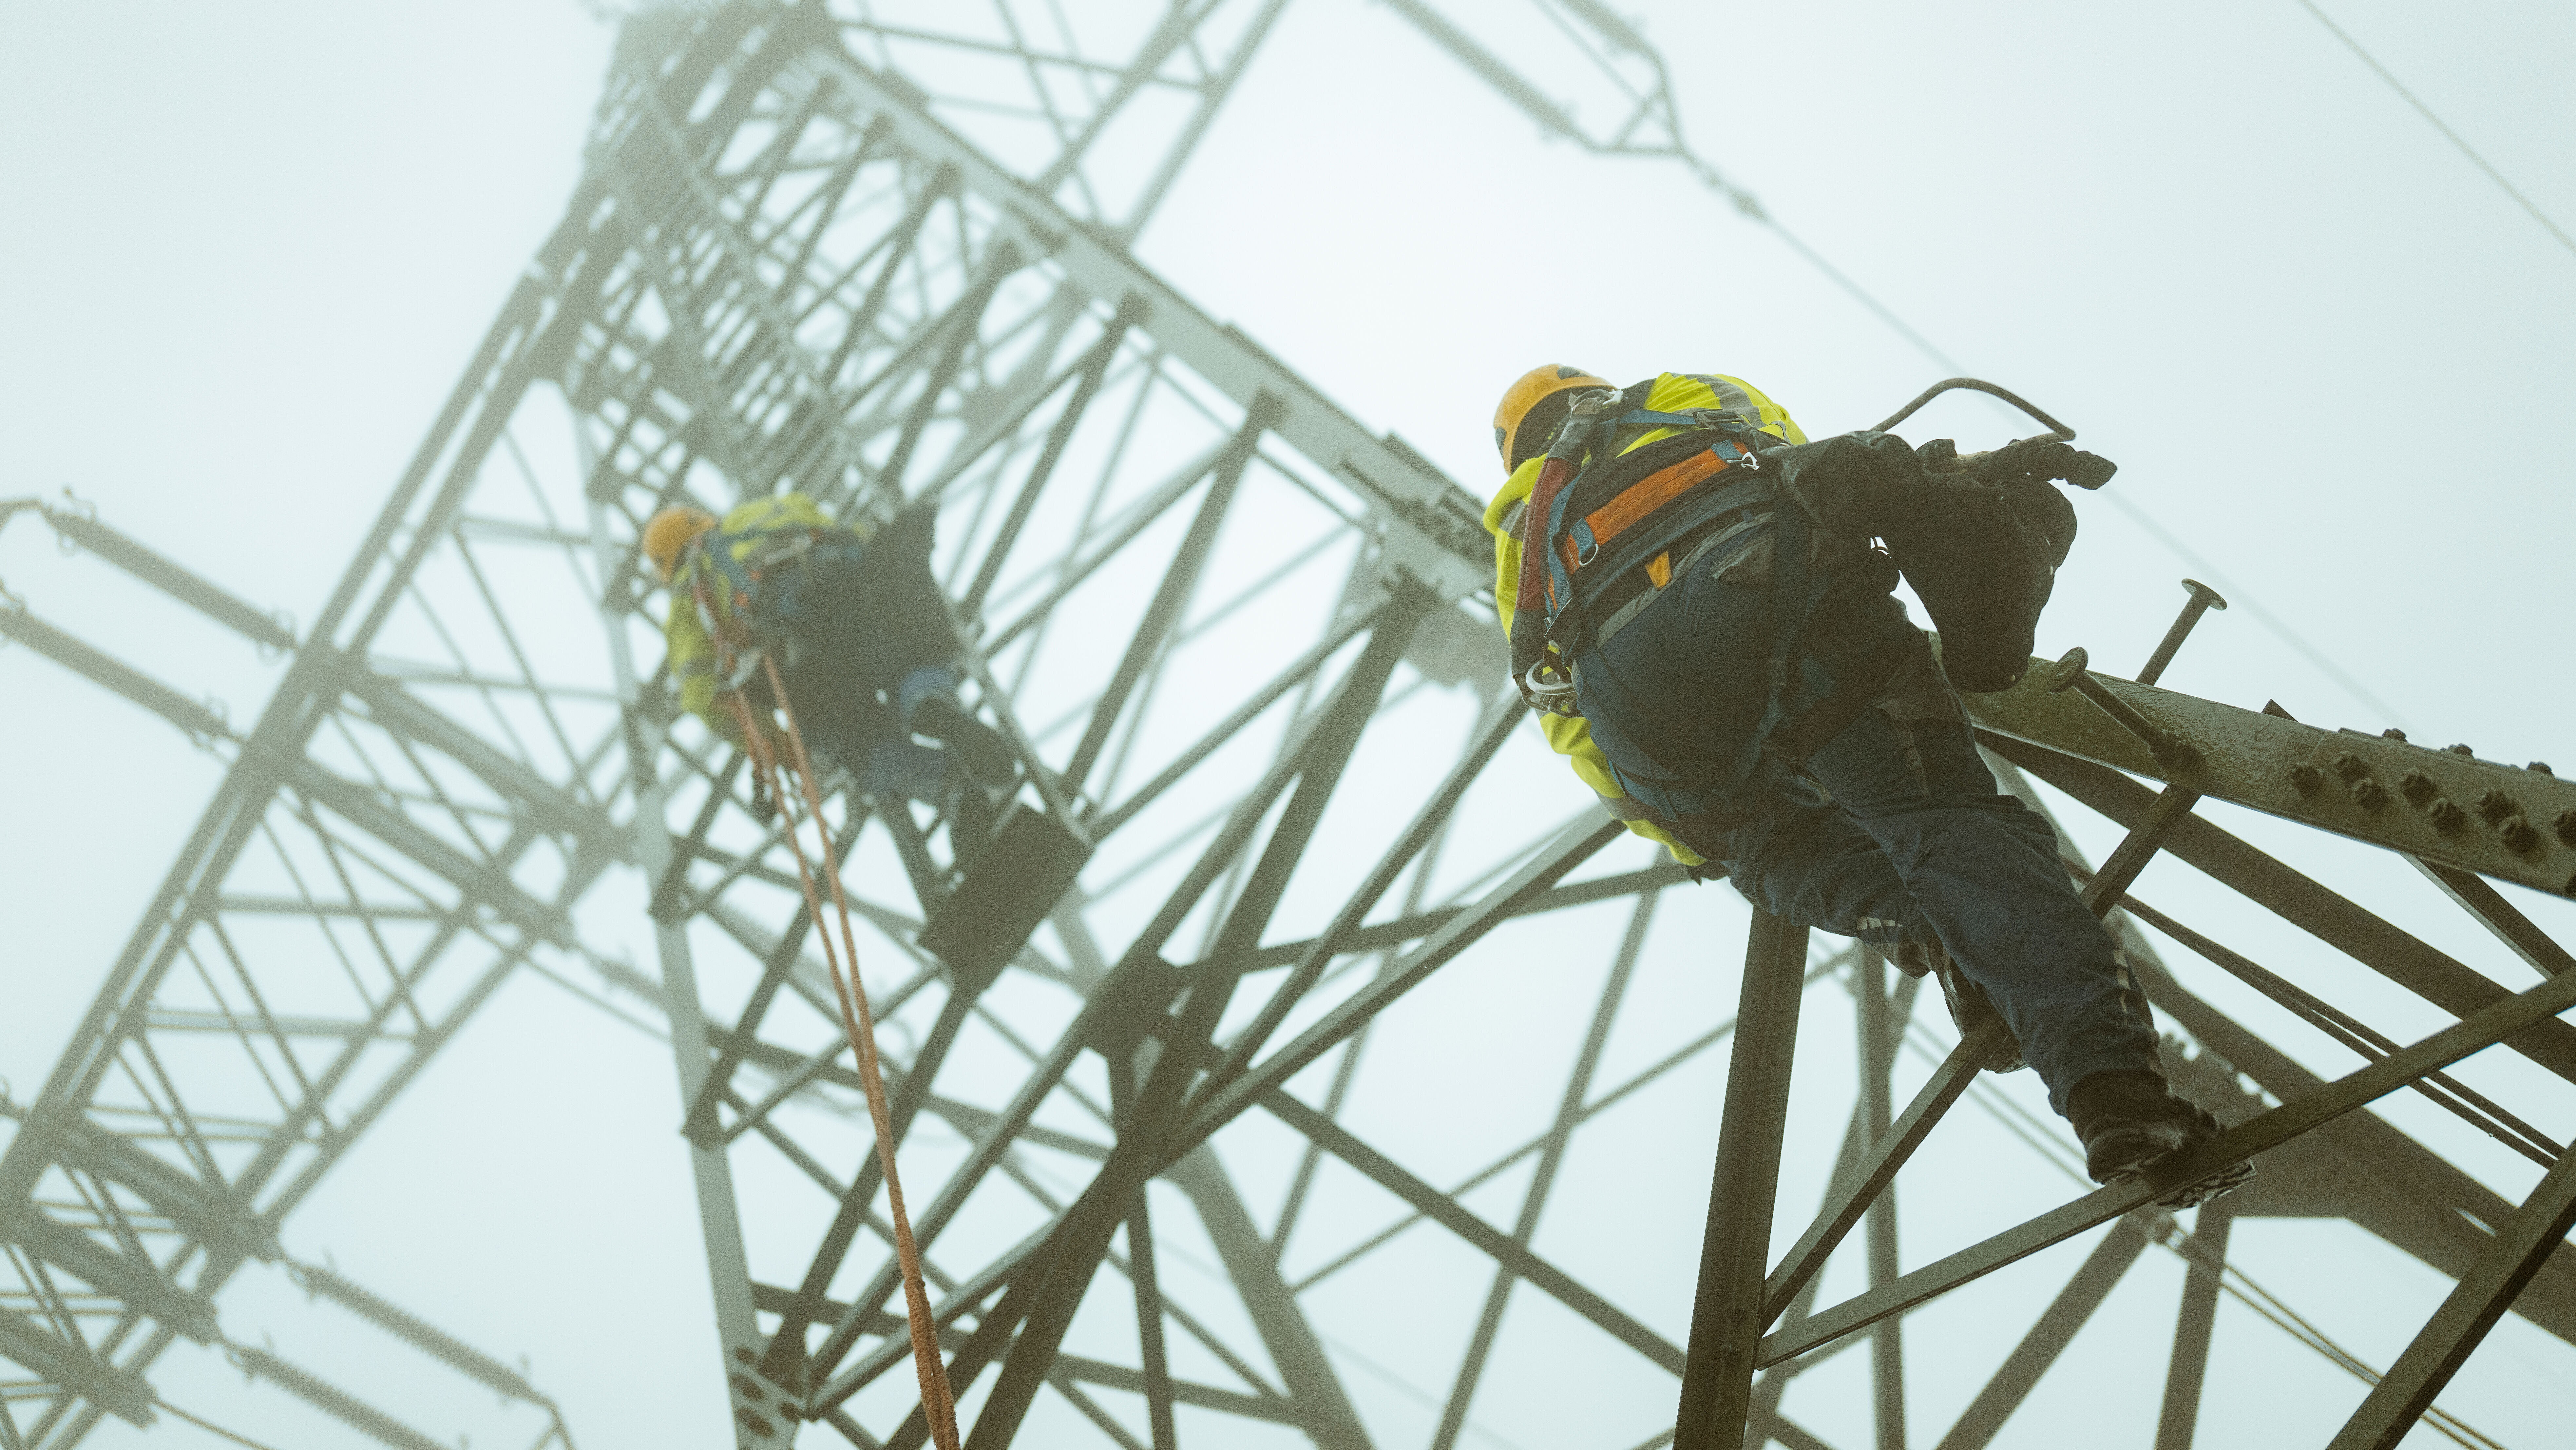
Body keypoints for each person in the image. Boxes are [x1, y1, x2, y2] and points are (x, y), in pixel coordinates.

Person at [1484, 365, 2250, 1205]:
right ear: (1594, 388)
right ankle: (2117, 1095)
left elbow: (1566, 724)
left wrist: (1715, 840)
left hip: (1641, 708)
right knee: (1945, 822)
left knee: (1775, 850)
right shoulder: (1676, 396)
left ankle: (1941, 929)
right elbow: (1799, 469)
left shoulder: (1524, 532)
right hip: (1758, 588)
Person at [646, 492, 1016, 852]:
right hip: (847, 578)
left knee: (856, 741)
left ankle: (949, 789)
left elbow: (702, 697)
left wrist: (777, 751)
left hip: (794, 637)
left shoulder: (686, 598)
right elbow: (846, 529)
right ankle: (928, 701)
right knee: (904, 652)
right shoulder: (762, 508)